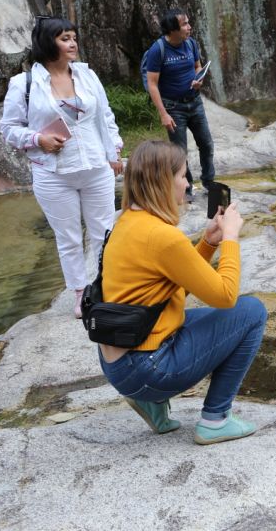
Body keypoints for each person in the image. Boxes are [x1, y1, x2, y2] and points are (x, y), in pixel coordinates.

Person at [97, 140, 266, 444]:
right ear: (163, 181)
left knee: (189, 316)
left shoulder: (126, 222)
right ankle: (216, 419)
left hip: (119, 363)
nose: (188, 184)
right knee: (252, 312)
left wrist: (209, 243)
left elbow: (171, 286)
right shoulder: (162, 236)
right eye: (183, 176)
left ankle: (152, 404)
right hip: (147, 370)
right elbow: (225, 295)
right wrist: (230, 238)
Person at [0, 16, 124, 319]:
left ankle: (106, 286)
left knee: (105, 232)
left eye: (73, 37)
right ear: (47, 43)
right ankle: (81, 294)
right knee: (68, 237)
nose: (73, 43)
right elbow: (8, 128)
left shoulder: (86, 75)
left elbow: (105, 116)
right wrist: (37, 138)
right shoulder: (24, 83)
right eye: (64, 38)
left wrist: (115, 151)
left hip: (95, 166)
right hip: (53, 173)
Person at [145, 9, 214, 203]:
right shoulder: (158, 50)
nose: (189, 27)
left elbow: (197, 66)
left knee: (206, 144)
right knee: (180, 152)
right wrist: (163, 114)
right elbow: (152, 83)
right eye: (184, 24)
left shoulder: (191, 43)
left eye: (188, 23)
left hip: (195, 102)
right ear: (172, 30)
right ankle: (187, 188)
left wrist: (199, 78)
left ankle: (209, 182)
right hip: (174, 107)